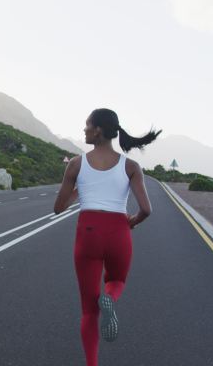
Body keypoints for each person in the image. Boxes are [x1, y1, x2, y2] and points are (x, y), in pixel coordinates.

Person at [53, 108, 160, 366]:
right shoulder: (131, 166)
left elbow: (58, 208)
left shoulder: (76, 164)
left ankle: (92, 363)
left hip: (88, 230)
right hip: (118, 230)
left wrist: (82, 187)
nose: (84, 130)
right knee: (116, 280)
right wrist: (131, 223)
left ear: (97, 130)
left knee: (89, 312)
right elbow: (146, 209)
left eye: (87, 125)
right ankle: (110, 299)